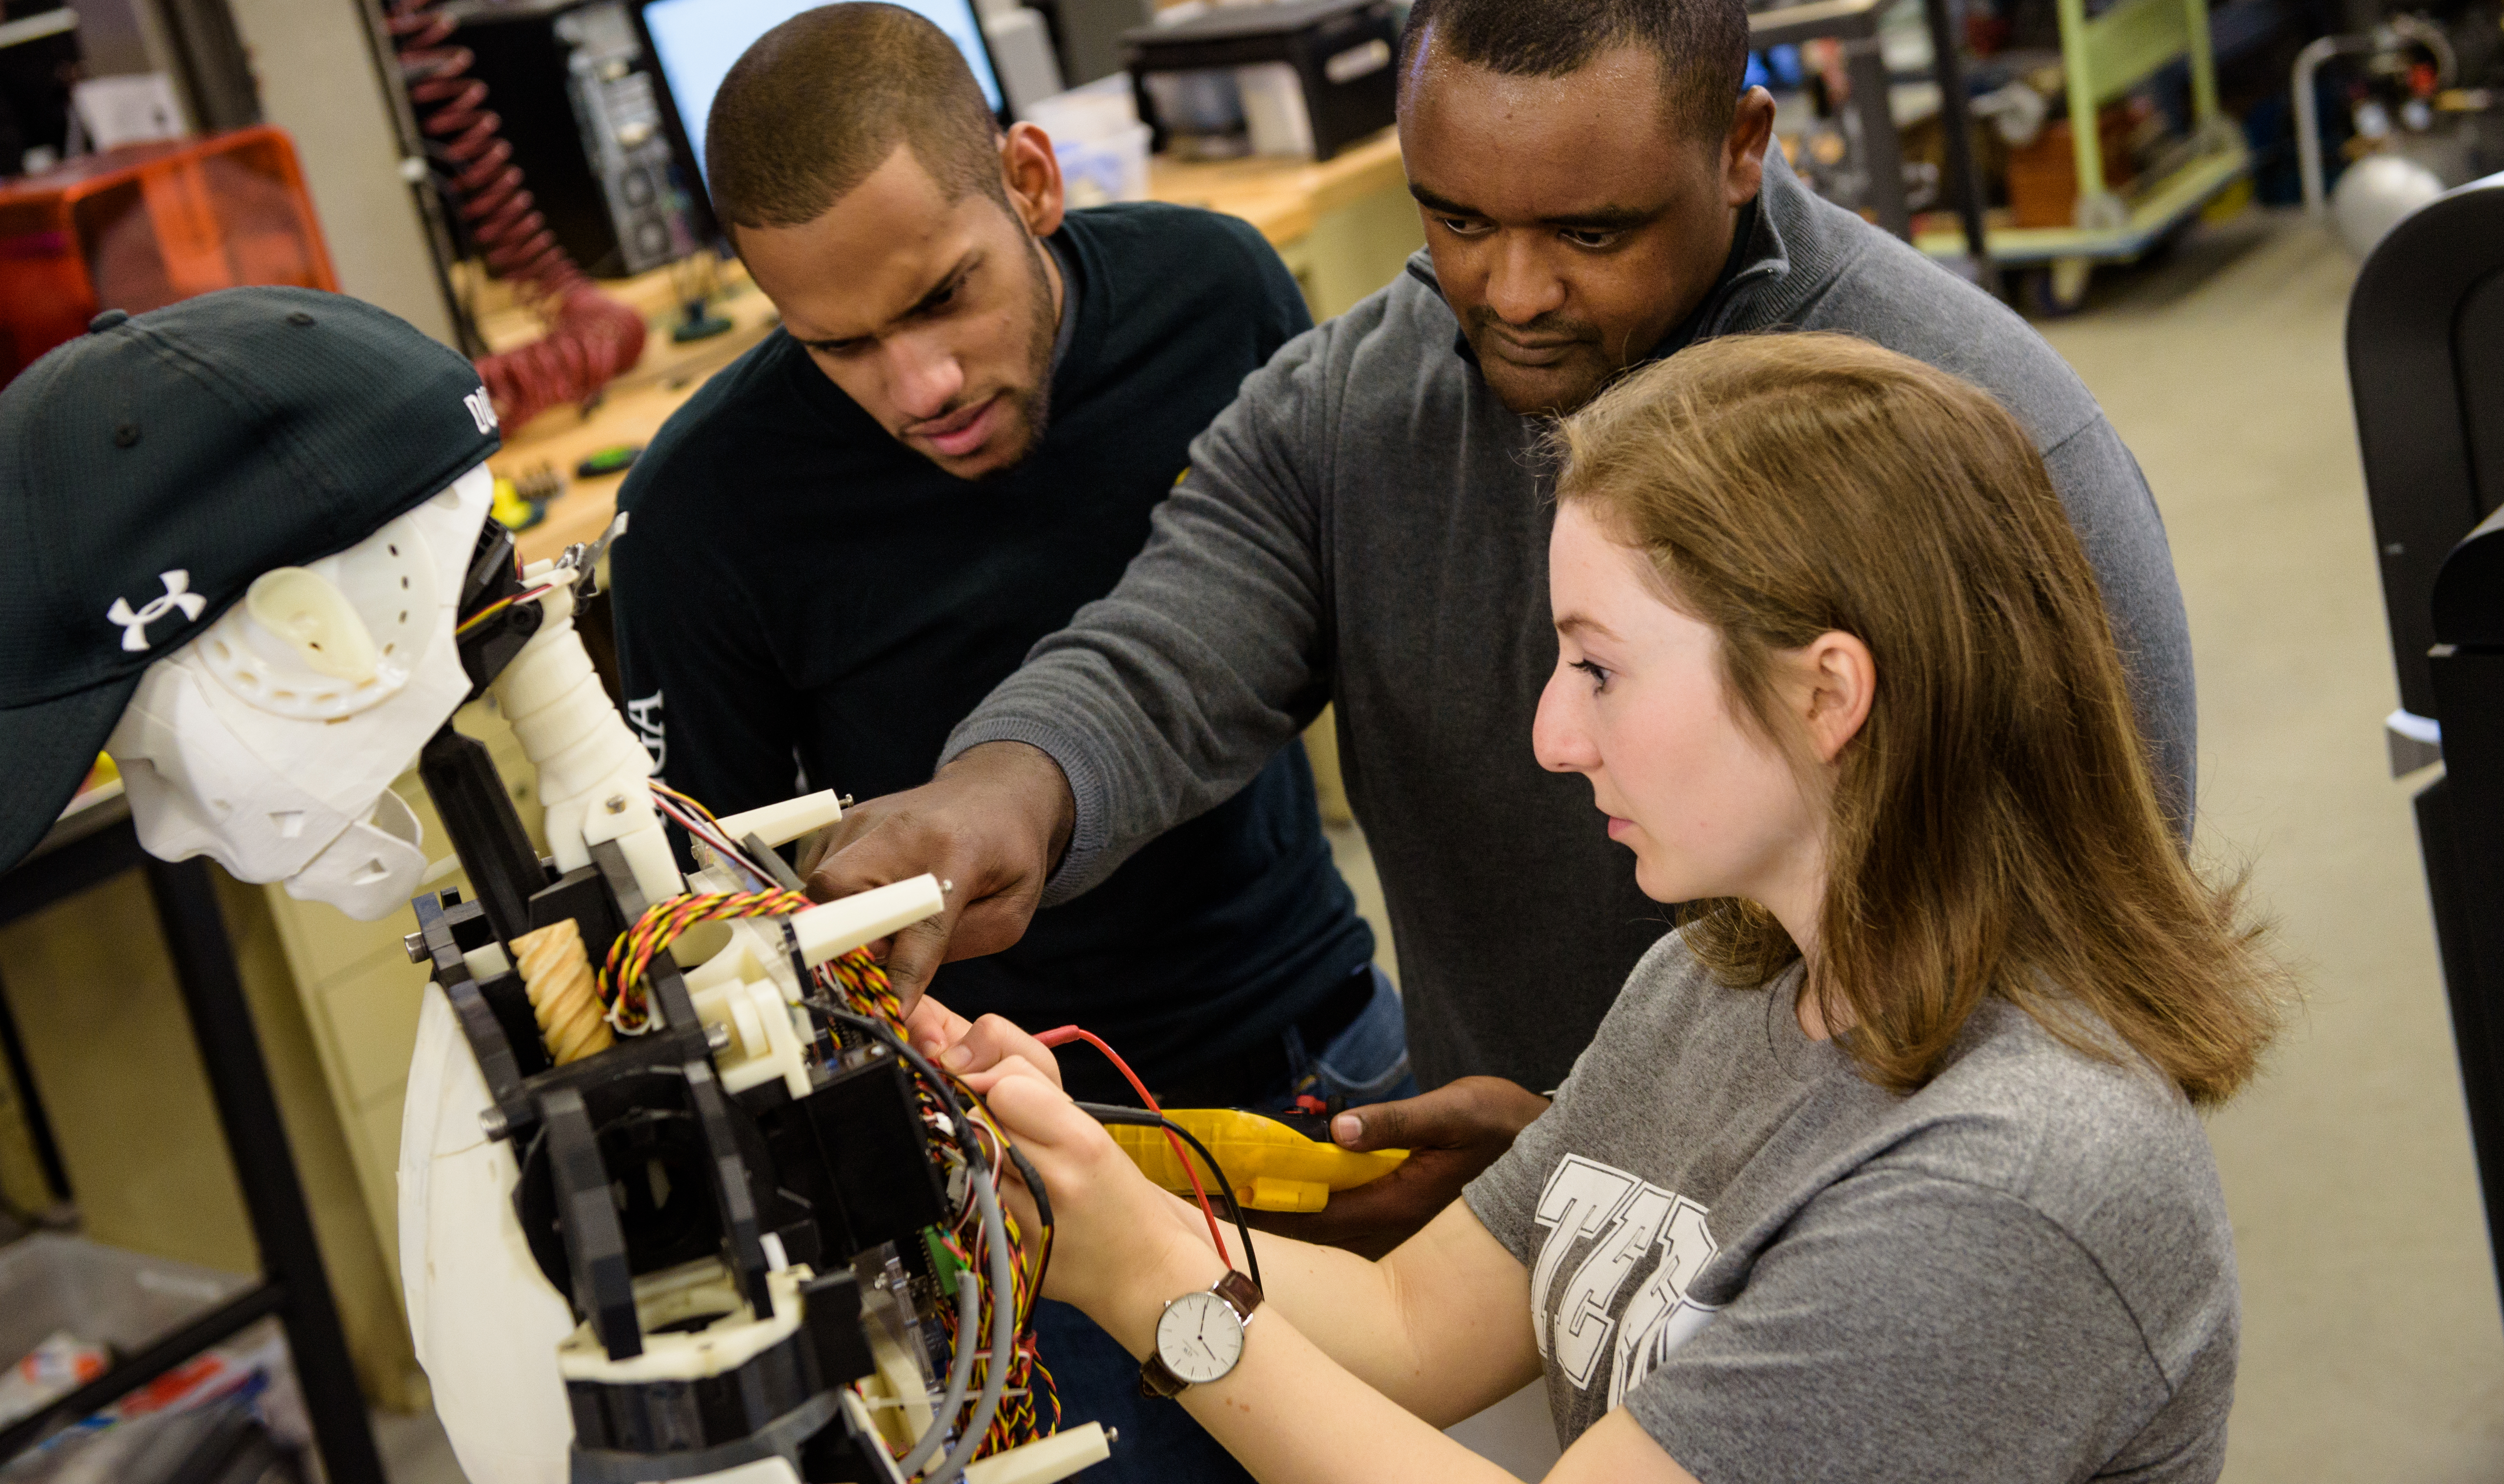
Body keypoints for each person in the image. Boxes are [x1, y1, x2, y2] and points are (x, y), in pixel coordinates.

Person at [809, 0, 2199, 1252]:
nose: (1514, 293)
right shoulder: (1356, 409)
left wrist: (1609, 1153)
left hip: (1878, 1239)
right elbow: (1173, 643)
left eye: (1591, 233)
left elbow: (2088, 946)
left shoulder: (1977, 435)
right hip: (1538, 1225)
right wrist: (1001, 796)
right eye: (1458, 220)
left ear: (1739, 143)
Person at [919, 333, 2285, 1484]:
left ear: (1827, 695)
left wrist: (1157, 1297)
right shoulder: (1722, 981)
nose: (1552, 735)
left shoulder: (2011, 1187)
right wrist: (1084, 1193)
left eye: (1599, 667)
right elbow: (1411, 1321)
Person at [609, 2, 1403, 1483]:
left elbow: (1321, 627)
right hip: (1020, 1172)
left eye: (944, 299)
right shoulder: (706, 515)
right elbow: (719, 921)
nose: (920, 388)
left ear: (1031, 182)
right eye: (837, 346)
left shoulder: (1213, 299)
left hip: (1322, 1057)